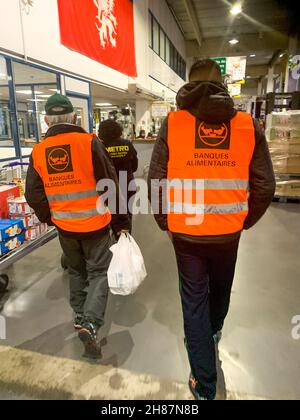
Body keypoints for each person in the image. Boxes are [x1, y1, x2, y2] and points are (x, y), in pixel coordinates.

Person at [148, 59, 276, 400]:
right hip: (227, 234)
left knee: (193, 301)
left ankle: (204, 386)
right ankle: (214, 331)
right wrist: (244, 219)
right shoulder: (248, 125)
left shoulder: (173, 123)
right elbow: (265, 184)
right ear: (222, 85)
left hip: (186, 236)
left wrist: (165, 222)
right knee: (221, 288)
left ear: (188, 86)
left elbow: (157, 179)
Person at [25, 94, 130, 359]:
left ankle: (80, 315)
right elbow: (110, 184)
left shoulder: (39, 151)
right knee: (99, 272)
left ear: (47, 120)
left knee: (75, 271)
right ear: (74, 117)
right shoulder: (89, 142)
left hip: (65, 227)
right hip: (95, 224)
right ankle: (91, 322)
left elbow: (33, 193)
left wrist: (50, 216)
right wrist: (120, 222)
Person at [98, 119, 138, 233]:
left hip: (109, 186)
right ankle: (127, 240)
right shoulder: (127, 144)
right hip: (128, 184)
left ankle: (115, 239)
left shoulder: (100, 146)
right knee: (127, 214)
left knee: (112, 214)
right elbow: (135, 166)